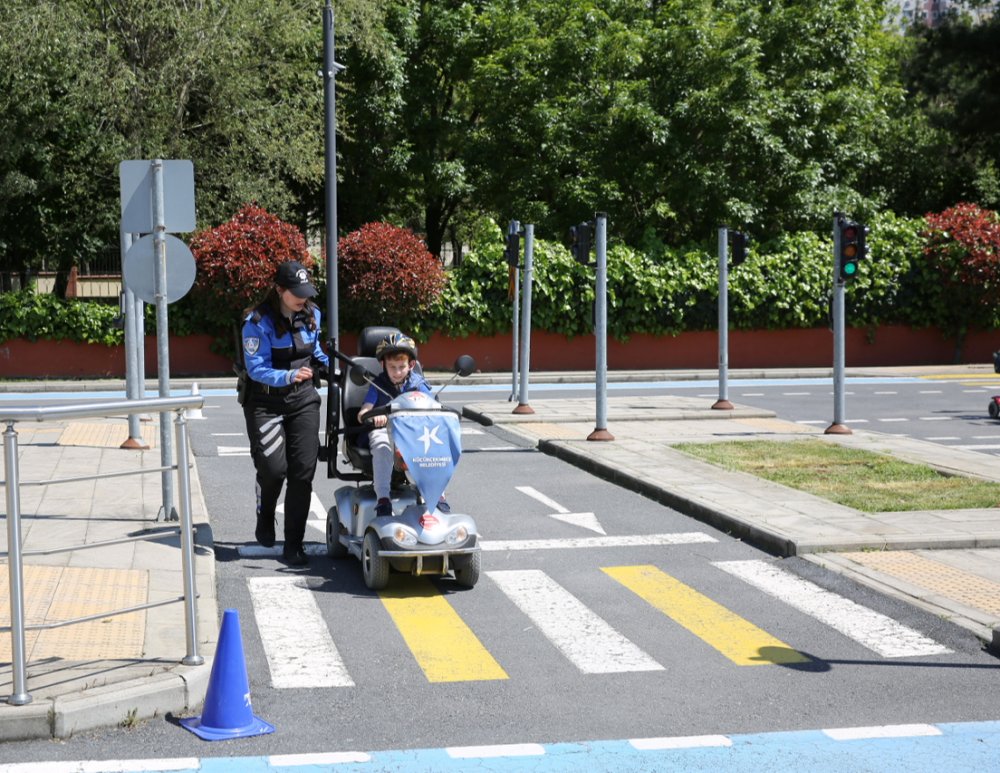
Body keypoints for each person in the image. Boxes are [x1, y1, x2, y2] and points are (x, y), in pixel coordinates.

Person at [241, 260, 329, 567]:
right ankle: (265, 514)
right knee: (273, 470)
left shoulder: (312, 315)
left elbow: (316, 353)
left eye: (305, 292)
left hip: (303, 400)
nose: (302, 298)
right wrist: (288, 377)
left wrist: (333, 366)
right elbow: (257, 369)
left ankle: (294, 544)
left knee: (302, 473)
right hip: (265, 403)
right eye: (295, 292)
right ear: (279, 290)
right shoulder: (257, 322)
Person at [356, 332, 438, 517]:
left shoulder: (419, 384)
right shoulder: (377, 383)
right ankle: (383, 499)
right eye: (392, 367)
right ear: (382, 364)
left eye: (401, 367)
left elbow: (434, 406)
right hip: (383, 431)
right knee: (382, 446)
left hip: (412, 432)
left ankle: (434, 495)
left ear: (411, 365)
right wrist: (371, 416)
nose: (397, 372)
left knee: (430, 446)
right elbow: (363, 411)